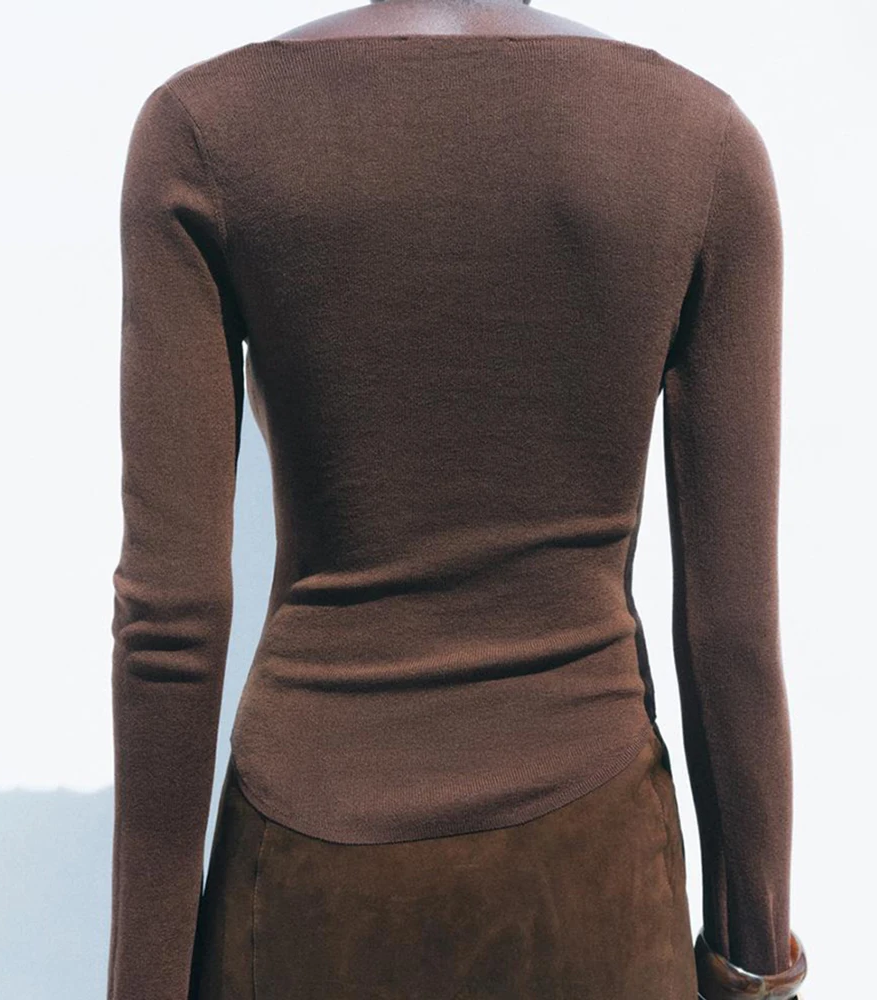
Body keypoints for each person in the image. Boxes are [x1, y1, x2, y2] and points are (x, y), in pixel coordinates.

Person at [107, 1, 808, 998]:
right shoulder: (699, 142)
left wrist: (144, 983)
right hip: (598, 875)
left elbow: (169, 622)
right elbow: (730, 629)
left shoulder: (204, 133)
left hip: (306, 879)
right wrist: (755, 961)